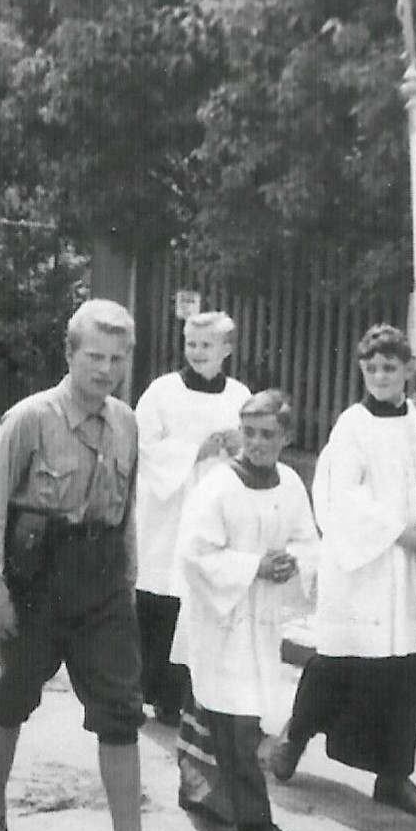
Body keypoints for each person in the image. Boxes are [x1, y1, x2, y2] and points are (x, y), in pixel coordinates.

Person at [0, 299, 197, 831]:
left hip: (102, 591)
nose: (107, 369)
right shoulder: (30, 419)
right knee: (14, 694)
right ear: (69, 354)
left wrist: (126, 586)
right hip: (36, 585)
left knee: (122, 713)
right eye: (95, 356)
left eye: (119, 359)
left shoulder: (126, 422)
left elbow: (122, 515)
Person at [270, 324, 416, 819]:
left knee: (409, 664)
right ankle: (294, 736)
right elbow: (341, 495)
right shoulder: (352, 425)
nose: (381, 376)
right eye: (372, 368)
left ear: (408, 370)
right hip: (369, 560)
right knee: (344, 657)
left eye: (390, 367)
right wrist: (398, 534)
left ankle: (394, 775)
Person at [171, 390, 318, 831]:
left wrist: (292, 563)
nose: (256, 444)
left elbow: (307, 540)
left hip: (262, 618)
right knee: (235, 720)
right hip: (221, 616)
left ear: (286, 438)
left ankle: (200, 789)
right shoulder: (217, 486)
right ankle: (255, 826)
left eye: (268, 435)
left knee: (235, 710)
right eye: (249, 433)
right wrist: (253, 566)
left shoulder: (291, 484)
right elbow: (195, 553)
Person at [134, 311, 253, 728]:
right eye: (191, 344)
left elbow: (254, 445)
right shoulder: (161, 391)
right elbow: (143, 445)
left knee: (199, 600)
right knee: (161, 595)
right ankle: (146, 691)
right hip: (170, 509)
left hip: (216, 508)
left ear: (227, 349)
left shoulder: (239, 396)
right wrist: (194, 451)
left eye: (207, 345)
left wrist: (241, 444)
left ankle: (186, 694)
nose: (198, 352)